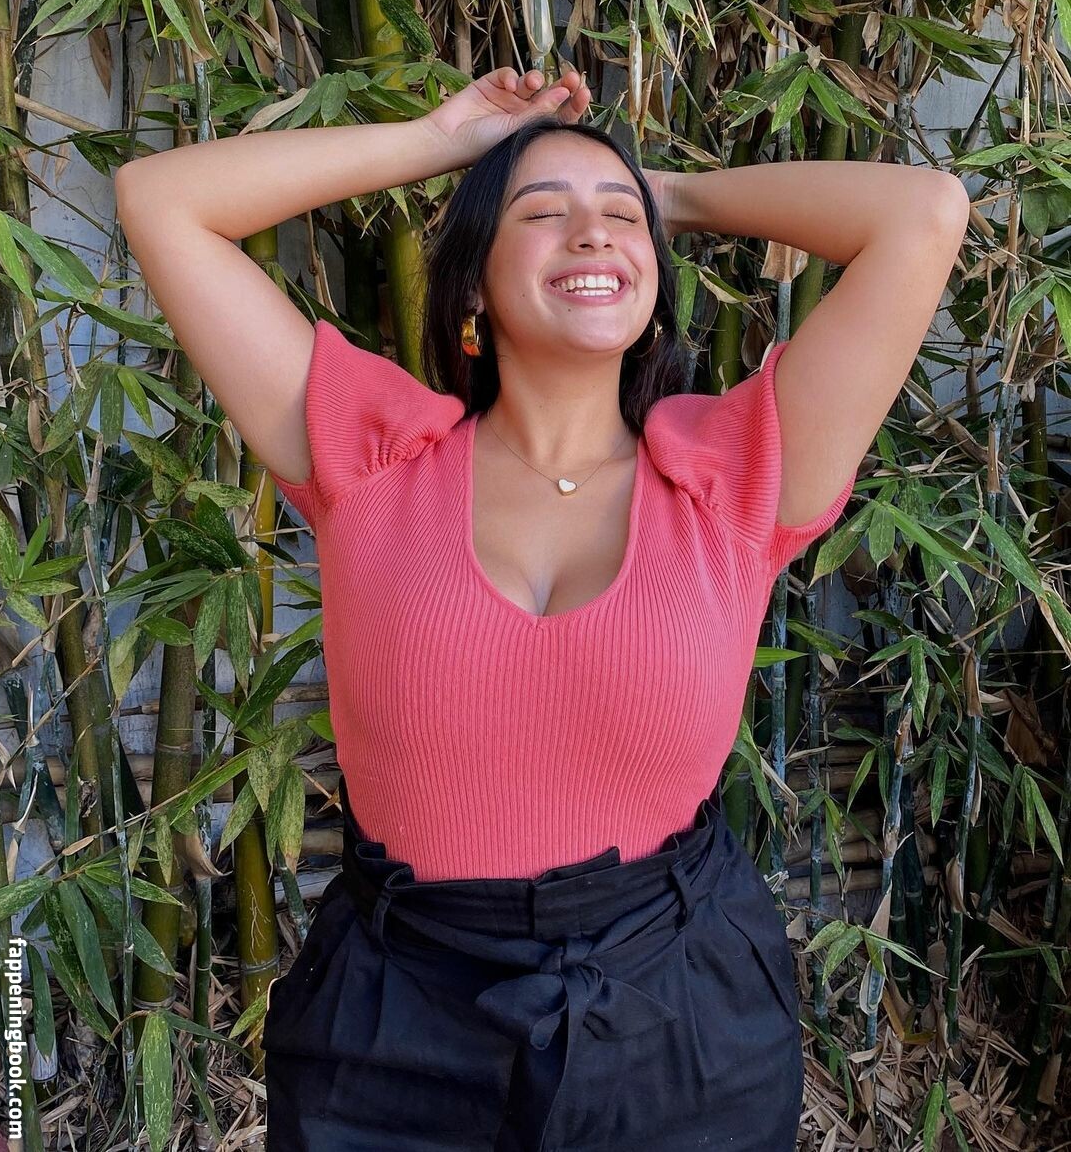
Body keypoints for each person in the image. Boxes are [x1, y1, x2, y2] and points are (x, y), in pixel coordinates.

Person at [114, 67, 964, 1151]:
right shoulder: (372, 455)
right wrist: (439, 141)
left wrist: (668, 195)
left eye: (618, 220)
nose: (592, 233)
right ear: (471, 285)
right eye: (542, 213)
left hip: (675, 1009)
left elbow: (923, 213)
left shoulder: (736, 474)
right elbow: (161, 200)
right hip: (397, 1014)